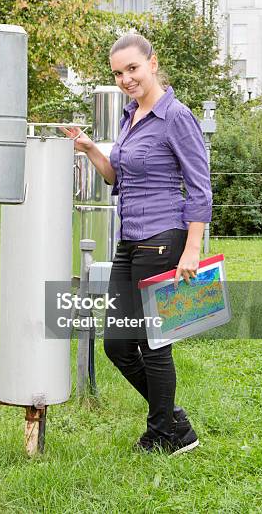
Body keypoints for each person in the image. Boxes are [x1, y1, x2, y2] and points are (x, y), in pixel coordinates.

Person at [63, 33, 212, 455]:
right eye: (118, 73)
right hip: (130, 241)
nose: (126, 78)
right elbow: (117, 177)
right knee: (117, 342)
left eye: (132, 68)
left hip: (164, 239)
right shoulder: (131, 116)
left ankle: (162, 433)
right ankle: (174, 423)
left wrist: (192, 248)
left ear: (152, 62)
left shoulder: (176, 116)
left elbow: (200, 187)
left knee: (153, 341)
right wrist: (91, 148)